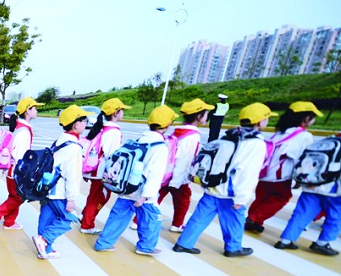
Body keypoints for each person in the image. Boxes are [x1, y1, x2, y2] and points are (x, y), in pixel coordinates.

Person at [173, 103, 275, 257]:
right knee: (235, 220)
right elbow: (248, 172)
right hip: (230, 192)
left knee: (199, 218)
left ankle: (183, 243)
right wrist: (242, 197)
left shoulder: (230, 136)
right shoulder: (256, 143)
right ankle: (233, 248)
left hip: (213, 186)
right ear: (260, 122)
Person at [93, 105, 175, 256]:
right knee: (151, 220)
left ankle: (103, 243)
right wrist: (147, 196)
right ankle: (145, 247)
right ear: (168, 125)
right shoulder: (160, 147)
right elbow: (155, 174)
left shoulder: (139, 140)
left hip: (127, 187)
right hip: (143, 191)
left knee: (117, 217)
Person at [245, 101, 321, 234]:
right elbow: (304, 160)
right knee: (281, 199)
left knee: (262, 199)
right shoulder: (304, 136)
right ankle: (254, 218)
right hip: (280, 176)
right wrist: (300, 179)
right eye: (313, 117)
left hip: (264, 173)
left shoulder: (281, 132)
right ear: (306, 118)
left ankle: (253, 221)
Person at [32, 105, 91, 259]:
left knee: (46, 217)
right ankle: (44, 240)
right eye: (84, 120)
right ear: (76, 124)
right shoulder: (74, 148)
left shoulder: (59, 141)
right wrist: (72, 198)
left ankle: (45, 249)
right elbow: (73, 175)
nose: (86, 123)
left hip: (47, 188)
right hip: (59, 192)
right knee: (70, 219)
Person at [274, 136, 340, 256]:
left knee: (301, 213)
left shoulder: (325, 141)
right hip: (334, 189)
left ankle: (286, 240)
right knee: (335, 217)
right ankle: (322, 243)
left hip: (312, 184)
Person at [158, 98, 214, 232]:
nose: (207, 116)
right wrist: (178, 181)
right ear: (199, 116)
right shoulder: (193, 136)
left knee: (156, 196)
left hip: (165, 173)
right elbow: (185, 160)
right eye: (206, 113)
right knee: (183, 200)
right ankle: (177, 225)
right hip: (177, 176)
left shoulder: (178, 131)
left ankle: (137, 221)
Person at [0, 96, 43, 230]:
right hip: (17, 172)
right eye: (34, 108)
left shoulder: (21, 128)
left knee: (15, 195)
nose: (36, 110)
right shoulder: (24, 132)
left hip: (12, 171)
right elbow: (20, 155)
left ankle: (10, 222)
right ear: (27, 111)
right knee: (18, 197)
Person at [79, 97, 130, 234]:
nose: (123, 113)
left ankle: (85, 216)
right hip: (103, 172)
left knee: (94, 196)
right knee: (100, 198)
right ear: (116, 113)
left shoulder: (103, 128)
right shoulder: (113, 132)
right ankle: (87, 225)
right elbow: (111, 155)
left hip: (95, 170)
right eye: (122, 110)